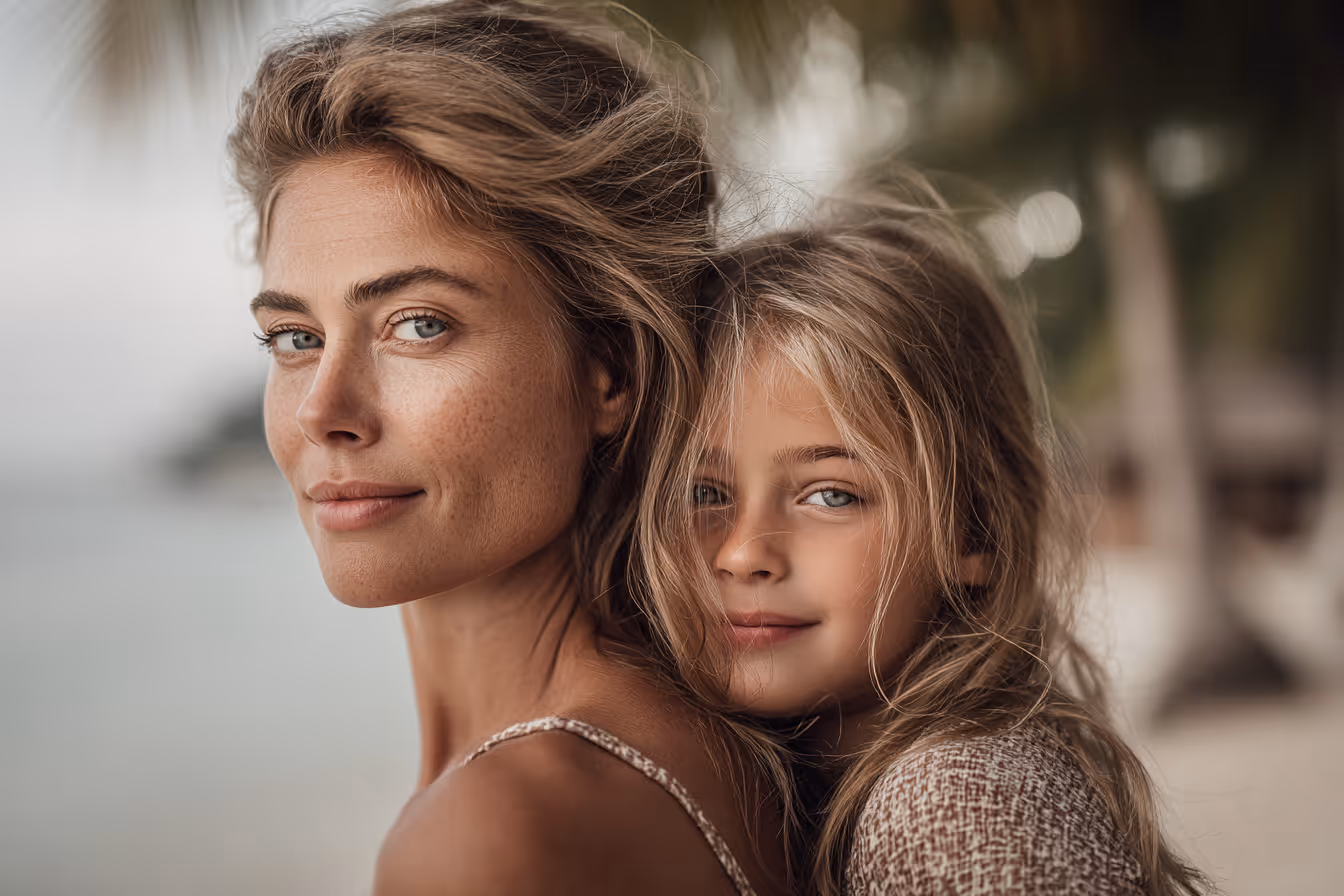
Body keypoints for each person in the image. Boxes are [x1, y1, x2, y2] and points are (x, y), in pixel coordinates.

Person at [229, 2, 791, 893]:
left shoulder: (491, 838)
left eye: (418, 324)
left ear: (611, 371)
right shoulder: (708, 739)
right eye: (294, 337)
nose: (323, 412)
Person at [635, 185, 1213, 895]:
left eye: (831, 495)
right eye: (704, 494)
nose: (742, 552)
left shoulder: (950, 813)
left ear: (975, 530)